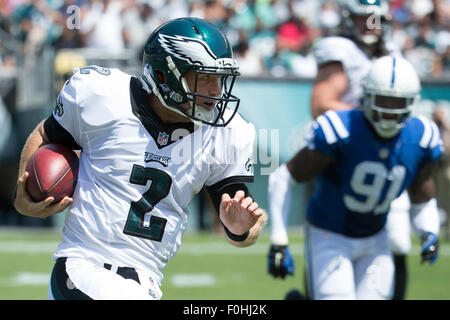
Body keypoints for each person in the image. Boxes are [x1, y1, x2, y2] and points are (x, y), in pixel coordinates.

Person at [12, 17, 266, 300]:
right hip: (83, 268)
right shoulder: (101, 95)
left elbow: (246, 223)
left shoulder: (226, 133)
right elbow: (45, 134)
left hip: (145, 283)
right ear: (163, 74)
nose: (215, 91)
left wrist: (242, 230)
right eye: (204, 77)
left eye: (219, 79)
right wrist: (23, 195)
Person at [268, 55, 441, 299]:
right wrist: (279, 239)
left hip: (376, 238)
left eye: (397, 103)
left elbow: (422, 194)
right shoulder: (341, 130)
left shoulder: (420, 139)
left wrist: (428, 231)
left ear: (411, 103)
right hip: (329, 234)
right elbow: (283, 178)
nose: (390, 112)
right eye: (384, 101)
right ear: (367, 97)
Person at [269, 0, 411, 300]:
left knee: (398, 241)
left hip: (383, 154)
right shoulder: (340, 50)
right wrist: (369, 121)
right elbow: (321, 104)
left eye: (375, 20)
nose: (370, 27)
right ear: (349, 20)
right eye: (363, 20)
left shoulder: (391, 52)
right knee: (330, 235)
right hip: (344, 155)